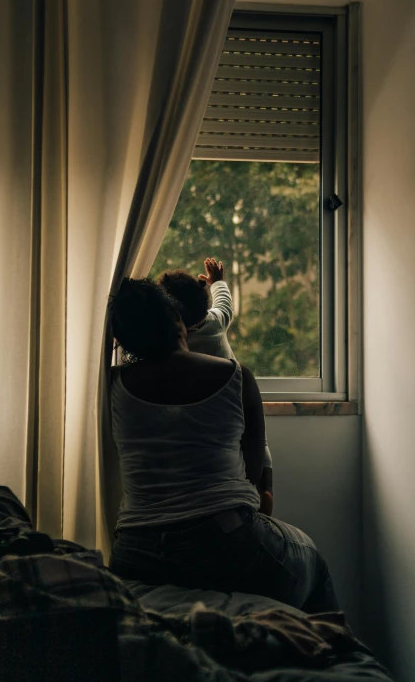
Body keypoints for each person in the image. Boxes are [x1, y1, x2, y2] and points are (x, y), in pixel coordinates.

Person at [107, 278, 338, 613]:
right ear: (177, 319)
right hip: (225, 543)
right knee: (313, 564)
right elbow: (254, 470)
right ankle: (326, 656)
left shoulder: (114, 385)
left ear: (122, 339)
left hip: (134, 551)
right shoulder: (235, 375)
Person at [158, 257, 273, 515]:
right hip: (235, 400)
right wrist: (217, 283)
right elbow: (225, 304)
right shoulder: (215, 321)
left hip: (200, 406)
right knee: (260, 442)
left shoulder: (168, 342)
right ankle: (266, 489)